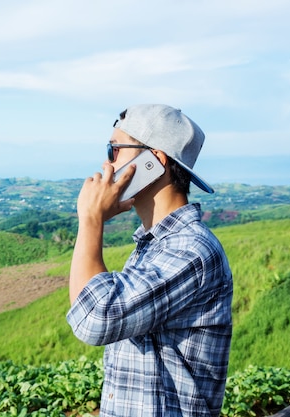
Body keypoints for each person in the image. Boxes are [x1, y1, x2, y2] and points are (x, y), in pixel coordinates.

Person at [66, 104, 233, 417]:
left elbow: (93, 318)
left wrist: (90, 219)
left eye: (115, 150)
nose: (107, 162)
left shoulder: (190, 251)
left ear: (153, 162)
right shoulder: (156, 247)